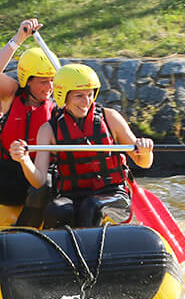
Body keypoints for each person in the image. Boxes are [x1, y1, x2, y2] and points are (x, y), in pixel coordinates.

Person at [12, 63, 154, 228]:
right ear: (63, 96)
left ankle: (89, 250)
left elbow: (144, 162)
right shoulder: (48, 130)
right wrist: (23, 160)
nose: (86, 101)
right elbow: (38, 181)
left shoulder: (110, 118)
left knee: (92, 206)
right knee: (56, 210)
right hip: (73, 196)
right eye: (79, 96)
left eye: (90, 94)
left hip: (113, 196)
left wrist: (145, 151)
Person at [0, 18, 55, 227]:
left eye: (52, 80)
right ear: (27, 80)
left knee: (44, 185)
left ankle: (22, 234)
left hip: (41, 176)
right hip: (11, 176)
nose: (49, 86)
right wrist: (19, 38)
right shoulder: (10, 96)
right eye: (43, 81)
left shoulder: (60, 103)